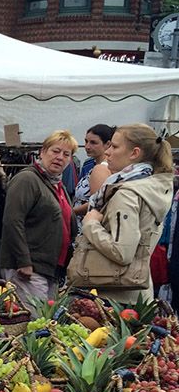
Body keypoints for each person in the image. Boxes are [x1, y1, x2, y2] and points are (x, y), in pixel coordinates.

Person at [68, 123, 174, 303]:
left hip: (114, 296)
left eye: (115, 146)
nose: (108, 152)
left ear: (134, 153)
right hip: (137, 293)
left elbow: (122, 252)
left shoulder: (126, 193)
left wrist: (91, 224)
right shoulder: (152, 188)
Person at [0, 131, 78, 306]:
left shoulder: (58, 186)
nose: (59, 158)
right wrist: (23, 261)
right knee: (32, 322)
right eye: (55, 151)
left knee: (43, 324)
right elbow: (13, 221)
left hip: (50, 269)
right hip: (29, 268)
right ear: (42, 152)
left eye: (66, 154)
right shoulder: (27, 179)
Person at [73, 124, 115, 219]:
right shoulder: (92, 165)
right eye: (86, 141)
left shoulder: (101, 169)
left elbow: (96, 204)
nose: (87, 146)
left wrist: (70, 212)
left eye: (93, 143)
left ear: (108, 144)